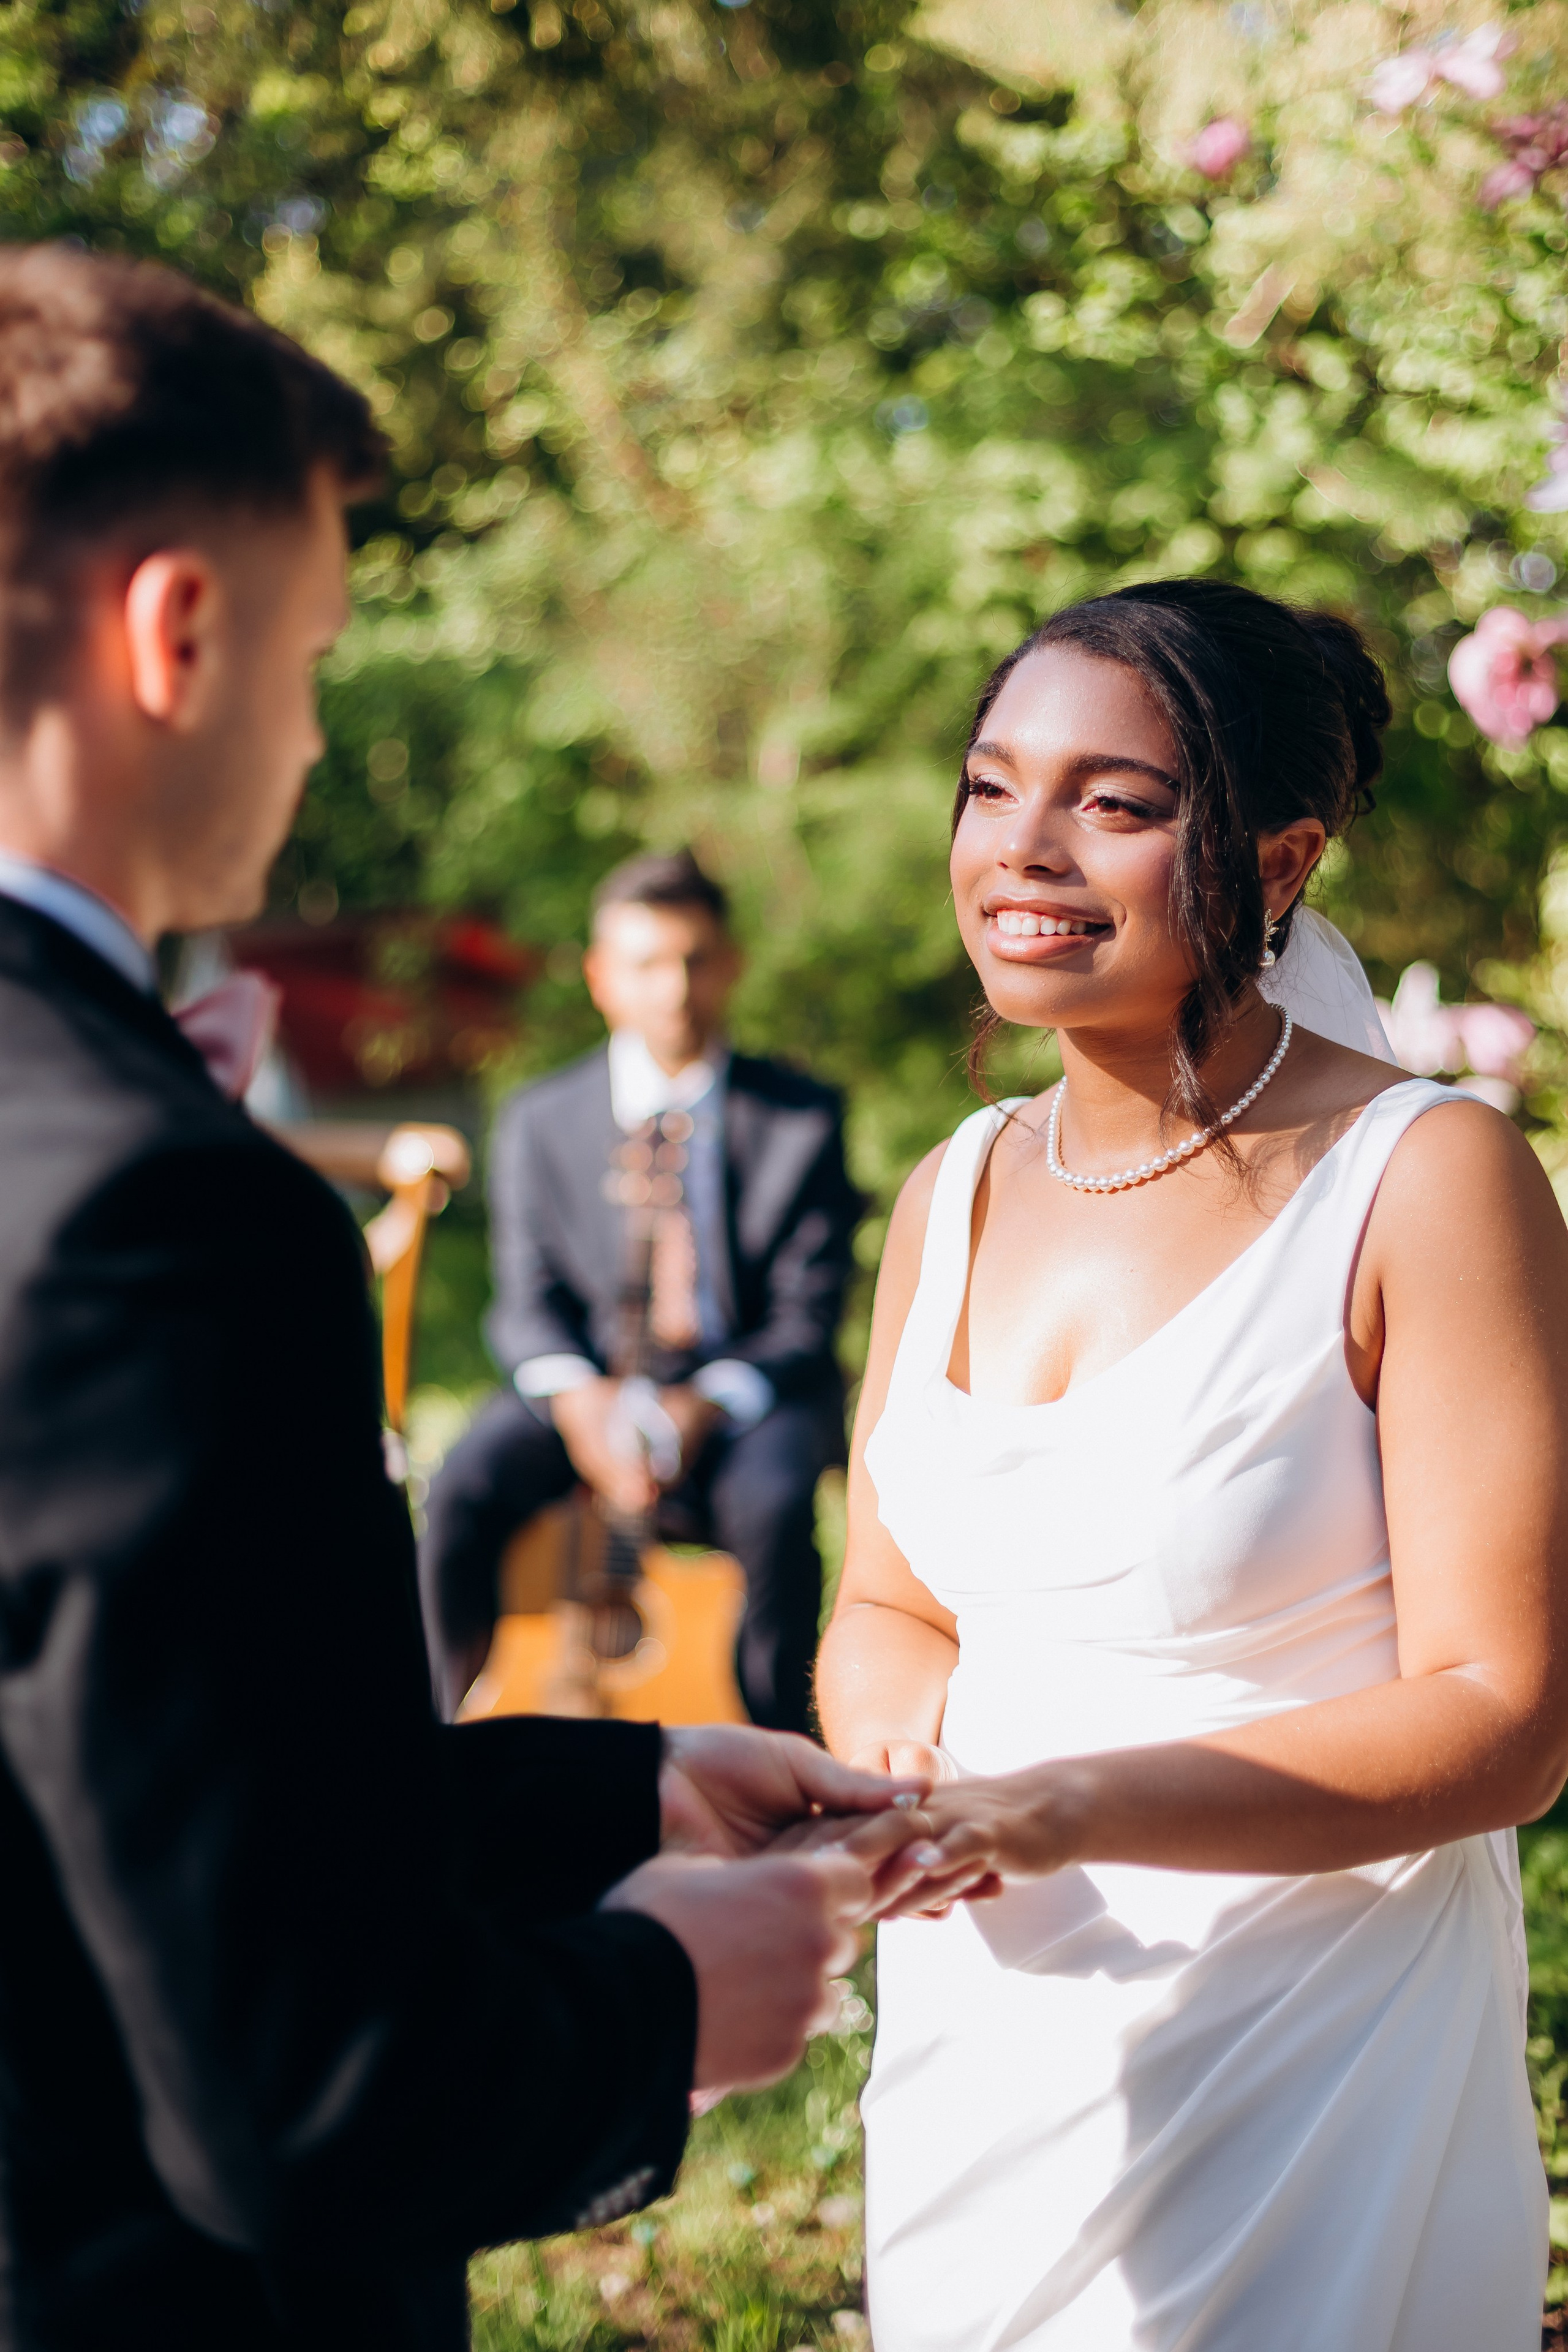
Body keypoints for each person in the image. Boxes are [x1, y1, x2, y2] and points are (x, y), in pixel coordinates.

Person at [0, 244, 940, 2352]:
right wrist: (661, 2000)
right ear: (179, 632)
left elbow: (106, 1786)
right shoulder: (163, 1209)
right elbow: (297, 2094)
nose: (317, 734)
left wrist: (606, 1789)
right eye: (317, 655)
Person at [815, 578, 1568, 2351]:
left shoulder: (1429, 1180)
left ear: (1282, 863)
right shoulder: (959, 1183)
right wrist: (900, 1763)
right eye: (993, 788)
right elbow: (887, 1600)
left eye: (1119, 804)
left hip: (1313, 2048)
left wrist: (1062, 1800)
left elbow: (1506, 1712)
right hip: (990, 2026)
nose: (1028, 851)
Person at [420, 850, 861, 1728]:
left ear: (730, 966)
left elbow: (806, 1315)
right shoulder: (541, 1117)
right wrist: (582, 1402)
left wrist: (704, 1403)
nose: (674, 988)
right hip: (587, 1385)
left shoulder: (802, 1119)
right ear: (600, 978)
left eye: (695, 961)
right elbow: (524, 1301)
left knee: (776, 1508)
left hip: (741, 1394)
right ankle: (438, 1725)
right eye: (647, 965)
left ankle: (779, 1745)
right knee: (463, 1481)